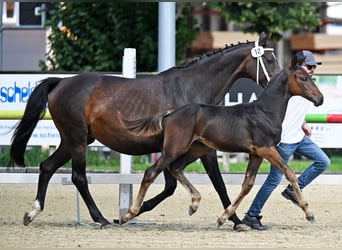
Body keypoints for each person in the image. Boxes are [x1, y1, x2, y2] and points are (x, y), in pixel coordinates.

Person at [241, 50, 331, 230]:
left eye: (314, 67)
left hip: (299, 136)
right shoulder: (288, 83)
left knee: (323, 161)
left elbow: (298, 108)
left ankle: (292, 191)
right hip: (284, 142)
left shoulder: (305, 82)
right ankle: (251, 215)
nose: (312, 69)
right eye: (309, 66)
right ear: (298, 67)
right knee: (273, 181)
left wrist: (303, 123)